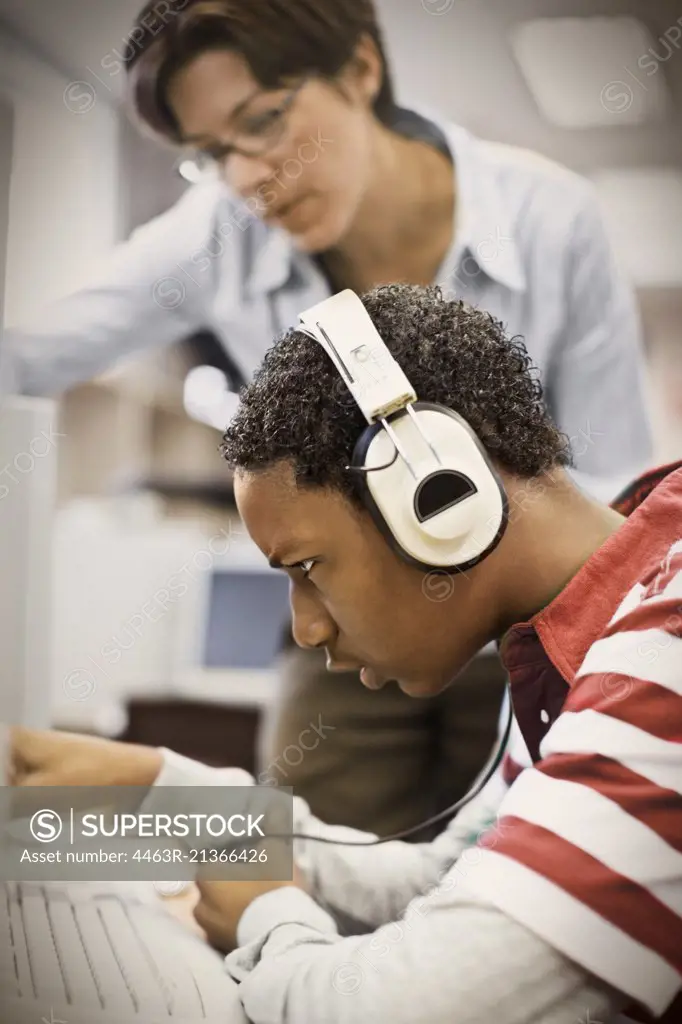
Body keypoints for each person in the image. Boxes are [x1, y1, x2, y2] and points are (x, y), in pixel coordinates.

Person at [1, 0, 653, 835]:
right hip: (349, 607)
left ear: (361, 70)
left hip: (519, 613)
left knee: (512, 855)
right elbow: (28, 354)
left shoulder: (550, 219)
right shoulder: (219, 234)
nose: (245, 178)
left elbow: (610, 473)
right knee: (309, 830)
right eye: (211, 156)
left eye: (264, 122)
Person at [9, 285, 680, 1024]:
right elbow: (447, 882)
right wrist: (187, 800)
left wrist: (272, 922)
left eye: (307, 569)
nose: (304, 629)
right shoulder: (580, 634)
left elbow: (423, 1008)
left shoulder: (664, 645)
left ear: (437, 499)